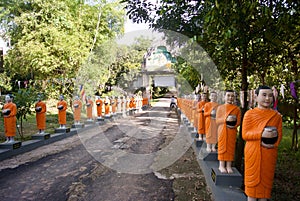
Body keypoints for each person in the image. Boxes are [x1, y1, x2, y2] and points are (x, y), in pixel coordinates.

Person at [242, 85, 282, 201]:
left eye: (270, 95)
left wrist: (272, 142)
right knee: (252, 191)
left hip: (269, 154)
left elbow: (279, 136)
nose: (267, 99)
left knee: (265, 188)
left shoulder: (276, 116)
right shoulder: (250, 114)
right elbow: (245, 134)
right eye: (264, 95)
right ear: (256, 97)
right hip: (253, 153)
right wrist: (261, 134)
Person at [216, 90, 241, 173]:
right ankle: (221, 165)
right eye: (228, 95)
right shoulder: (220, 108)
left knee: (230, 147)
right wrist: (226, 119)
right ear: (224, 97)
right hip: (222, 130)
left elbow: (238, 122)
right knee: (222, 147)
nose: (230, 98)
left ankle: (229, 165)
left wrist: (233, 124)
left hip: (232, 130)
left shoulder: (236, 109)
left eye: (232, 96)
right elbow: (217, 120)